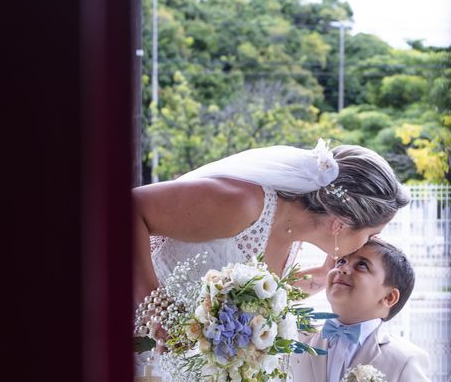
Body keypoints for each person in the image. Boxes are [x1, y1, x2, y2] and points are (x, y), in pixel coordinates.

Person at [133, 137, 410, 311]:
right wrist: (154, 309)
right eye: (372, 234)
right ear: (342, 223)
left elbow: (257, 294)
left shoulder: (293, 236)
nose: (370, 243)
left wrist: (325, 274)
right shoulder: (244, 204)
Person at [290, 237, 432, 382]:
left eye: (362, 265)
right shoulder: (297, 338)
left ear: (389, 297)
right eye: (341, 261)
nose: (342, 268)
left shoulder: (404, 360)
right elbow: (270, 296)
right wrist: (322, 273)